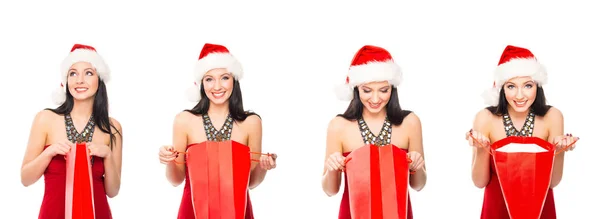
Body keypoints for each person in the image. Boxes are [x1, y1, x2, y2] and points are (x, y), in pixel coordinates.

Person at [158, 43, 277, 219]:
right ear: (201, 83)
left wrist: (264, 167)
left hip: (237, 211)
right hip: (193, 210)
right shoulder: (184, 120)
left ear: (234, 80)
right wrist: (168, 160)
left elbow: (250, 183)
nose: (217, 86)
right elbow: (176, 179)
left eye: (224, 78)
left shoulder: (251, 123)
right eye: (209, 79)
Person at [466, 45, 579, 219]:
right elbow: (479, 182)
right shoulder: (485, 118)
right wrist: (482, 148)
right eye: (511, 86)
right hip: (497, 209)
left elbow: (552, 183)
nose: (520, 96)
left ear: (538, 86)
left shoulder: (552, 116)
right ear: (502, 88)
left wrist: (558, 151)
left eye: (527, 85)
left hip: (540, 209)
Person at [322, 45, 427, 219]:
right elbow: (330, 190)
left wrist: (418, 166)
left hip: (398, 213)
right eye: (367, 90)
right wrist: (332, 168)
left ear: (392, 89)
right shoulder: (338, 126)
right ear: (356, 89)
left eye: (384, 90)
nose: (376, 99)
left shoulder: (410, 123)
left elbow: (418, 185)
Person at [20, 44, 123, 219]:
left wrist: (107, 155)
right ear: (66, 81)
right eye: (73, 73)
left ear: (100, 80)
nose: (79, 80)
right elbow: (25, 179)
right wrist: (49, 153)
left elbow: (112, 191)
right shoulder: (45, 119)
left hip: (98, 214)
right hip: (53, 213)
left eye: (88, 73)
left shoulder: (112, 128)